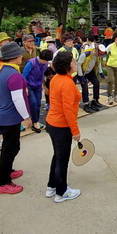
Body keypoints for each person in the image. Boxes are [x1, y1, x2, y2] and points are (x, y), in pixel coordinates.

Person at [0, 42, 31, 194]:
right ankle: (3, 183)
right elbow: (17, 99)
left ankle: (9, 171)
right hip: (10, 117)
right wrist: (26, 117)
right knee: (10, 148)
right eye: (20, 54)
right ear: (14, 57)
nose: (22, 56)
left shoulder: (2, 70)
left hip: (2, 113)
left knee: (12, 146)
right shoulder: (14, 75)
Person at [45, 51, 82, 202]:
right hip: (61, 125)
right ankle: (62, 192)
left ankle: (51, 186)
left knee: (57, 156)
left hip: (52, 123)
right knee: (62, 159)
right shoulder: (66, 83)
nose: (75, 63)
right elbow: (68, 110)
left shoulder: (57, 79)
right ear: (67, 65)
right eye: (73, 61)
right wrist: (75, 131)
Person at [22, 48, 53, 132]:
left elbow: (42, 74)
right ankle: (34, 121)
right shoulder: (31, 63)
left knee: (38, 103)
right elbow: (24, 75)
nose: (45, 62)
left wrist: (43, 84)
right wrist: (25, 87)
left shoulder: (45, 64)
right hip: (29, 85)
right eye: (44, 60)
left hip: (38, 85)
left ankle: (36, 120)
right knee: (33, 103)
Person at [78, 35, 103, 113]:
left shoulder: (98, 55)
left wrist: (101, 72)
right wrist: (81, 76)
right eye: (98, 54)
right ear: (95, 51)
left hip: (90, 71)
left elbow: (98, 63)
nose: (98, 56)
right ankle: (86, 104)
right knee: (85, 86)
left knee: (96, 82)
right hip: (82, 71)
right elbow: (78, 64)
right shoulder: (85, 54)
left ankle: (95, 100)